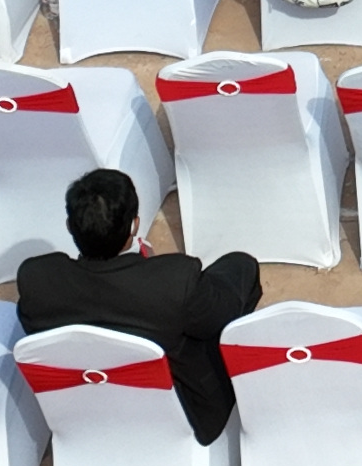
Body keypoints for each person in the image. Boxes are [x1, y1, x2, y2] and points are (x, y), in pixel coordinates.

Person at [14, 166, 264, 443]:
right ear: (134, 225)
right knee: (239, 267)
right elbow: (222, 314)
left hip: (85, 410)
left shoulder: (36, 281)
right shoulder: (174, 281)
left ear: (70, 226)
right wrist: (150, 270)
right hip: (185, 414)